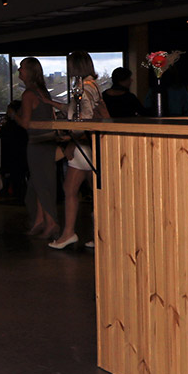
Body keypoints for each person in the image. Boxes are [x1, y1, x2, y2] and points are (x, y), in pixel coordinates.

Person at [50, 51, 110, 250]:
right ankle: (99, 234)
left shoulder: (83, 88)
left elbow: (83, 118)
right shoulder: (93, 86)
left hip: (84, 143)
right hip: (92, 143)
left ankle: (69, 233)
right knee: (95, 191)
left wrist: (71, 141)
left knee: (71, 189)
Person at [17, 57, 64, 240]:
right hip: (48, 142)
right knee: (39, 183)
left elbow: (25, 123)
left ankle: (51, 223)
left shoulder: (28, 94)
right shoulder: (42, 92)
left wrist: (13, 115)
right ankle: (40, 220)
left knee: (41, 184)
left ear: (29, 72)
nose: (19, 71)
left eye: (21, 68)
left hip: (36, 143)